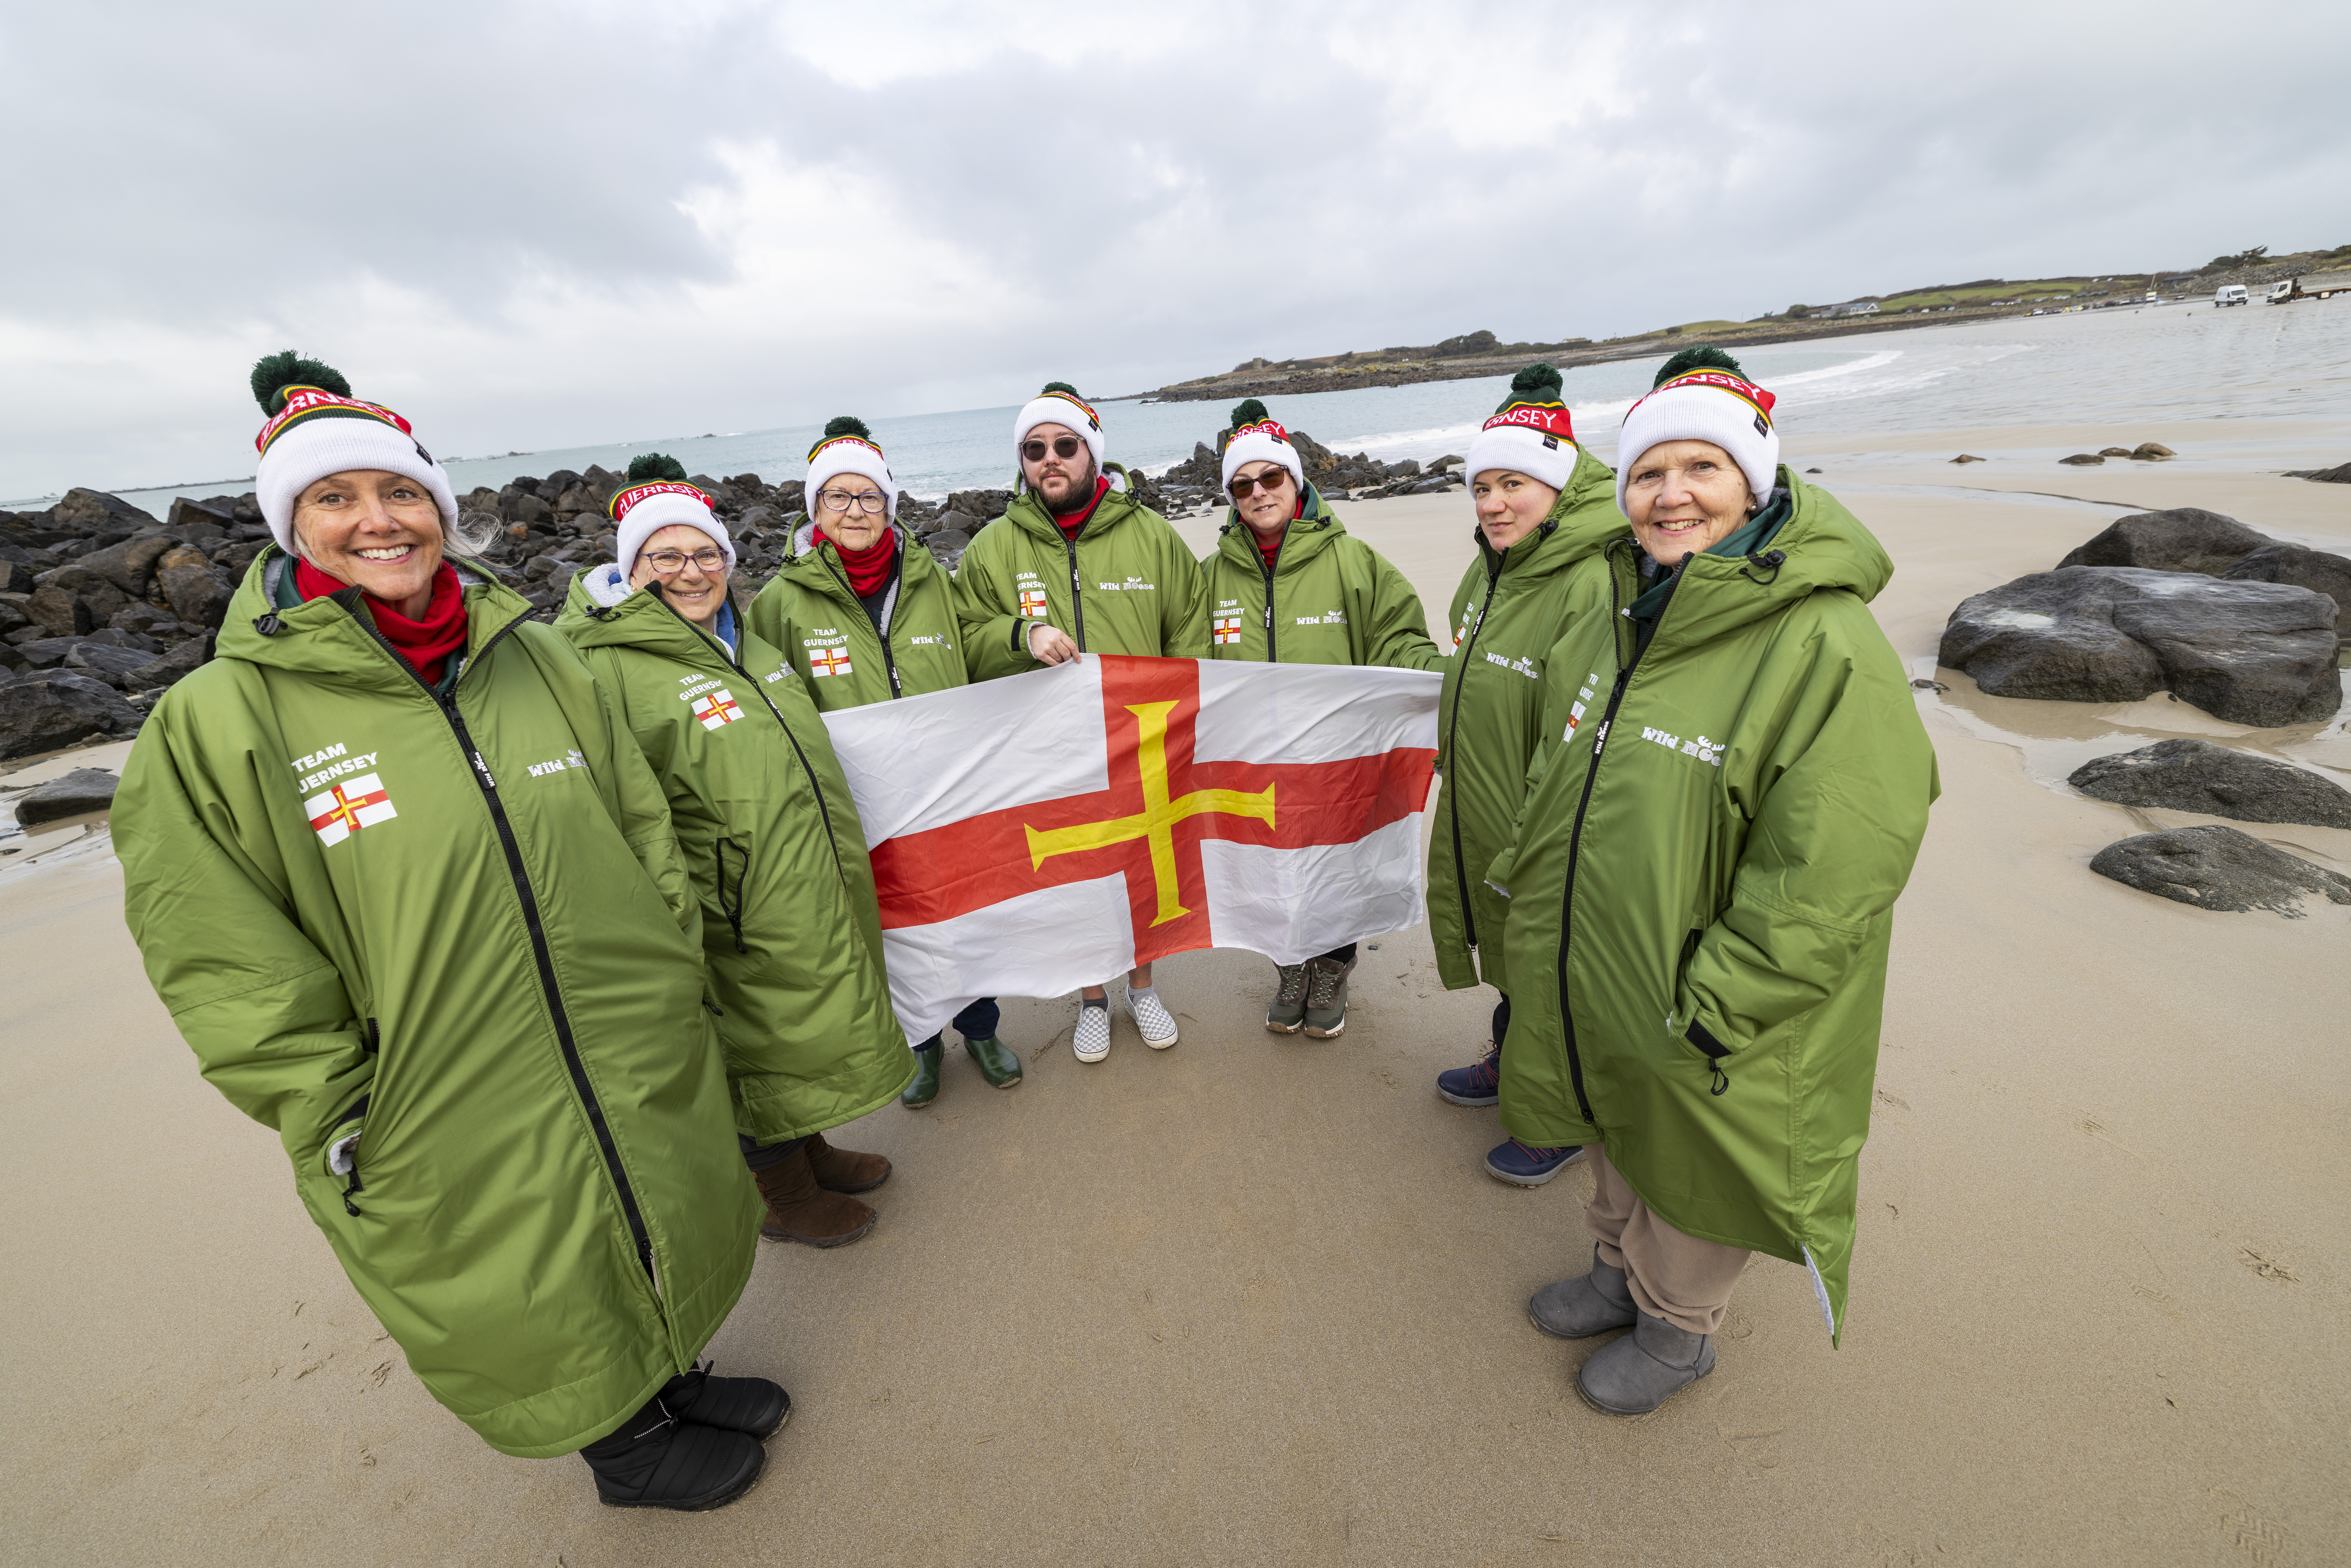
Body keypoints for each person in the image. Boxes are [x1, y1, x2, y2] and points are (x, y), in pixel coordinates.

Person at [117, 354, 781, 1511]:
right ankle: (621, 1444)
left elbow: (638, 821)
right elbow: (219, 951)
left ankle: (669, 1375)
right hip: (432, 1076)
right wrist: (333, 1105)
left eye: (402, 492)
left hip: (622, 1021)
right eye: (336, 498)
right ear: (289, 522)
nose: (378, 520)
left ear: (439, 507)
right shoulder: (219, 719)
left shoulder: (533, 655)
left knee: (648, 1194)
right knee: (527, 1262)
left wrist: (670, 964)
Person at [1487, 347, 1937, 1414]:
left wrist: (1723, 999)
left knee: (1692, 1152)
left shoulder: (1818, 637)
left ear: (1755, 485)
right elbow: (1570, 774)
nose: (1671, 494)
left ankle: (1678, 1326)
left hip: (1714, 989)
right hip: (1607, 953)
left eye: (1702, 468)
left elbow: (1842, 856)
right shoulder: (1630, 613)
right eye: (1649, 472)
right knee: (1615, 1120)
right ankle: (1615, 1271)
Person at [558, 455, 911, 1248]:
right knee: (750, 1048)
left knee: (790, 1033)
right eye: (666, 557)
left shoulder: (742, 641)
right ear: (631, 567)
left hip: (798, 879)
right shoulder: (607, 668)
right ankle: (782, 1197)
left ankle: (809, 1149)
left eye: (707, 553)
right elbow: (614, 810)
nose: (692, 572)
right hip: (726, 909)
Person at [746, 416, 1023, 1107]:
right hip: (861, 802)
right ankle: (922, 1045)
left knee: (962, 914)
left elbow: (973, 646)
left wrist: (1026, 636)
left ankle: (981, 1030)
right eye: (837, 496)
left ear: (890, 506)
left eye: (869, 496)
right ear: (814, 509)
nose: (855, 510)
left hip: (943, 788)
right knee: (897, 928)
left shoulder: (931, 577)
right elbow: (767, 701)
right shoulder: (782, 601)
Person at [952, 382, 1210, 1064]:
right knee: (1081, 876)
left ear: (1091, 451)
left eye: (1065, 445)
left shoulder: (1151, 535)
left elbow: (1191, 631)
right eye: (1034, 449)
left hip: (1141, 739)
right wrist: (1020, 630)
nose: (1050, 459)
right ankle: (1093, 997)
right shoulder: (991, 547)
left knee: (1144, 867)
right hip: (1053, 749)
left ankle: (1144, 987)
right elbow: (963, 636)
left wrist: (1182, 722)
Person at [1421, 366, 1623, 1187]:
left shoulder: (1590, 579)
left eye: (1516, 484)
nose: (1495, 504)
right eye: (1483, 487)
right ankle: (1513, 1062)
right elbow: (1471, 671)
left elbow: (1576, 734)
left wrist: (1531, 834)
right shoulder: (1493, 565)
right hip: (1482, 804)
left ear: (1560, 485)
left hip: (1539, 826)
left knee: (1550, 971)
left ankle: (1557, 1122)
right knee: (1513, 965)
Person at [1200, 398, 1442, 1037]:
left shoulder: (1354, 563)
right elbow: (1179, 661)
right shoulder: (1209, 577)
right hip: (1253, 761)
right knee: (1268, 873)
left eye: (1270, 478)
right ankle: (1288, 967)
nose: (1258, 493)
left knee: (1337, 871)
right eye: (1242, 484)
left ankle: (1331, 969)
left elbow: (1398, 640)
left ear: (1296, 479)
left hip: (1337, 758)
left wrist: (1448, 681)